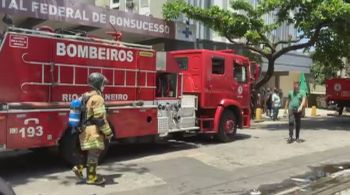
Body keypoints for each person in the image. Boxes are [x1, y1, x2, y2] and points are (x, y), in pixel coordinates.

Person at [72, 72, 113, 185]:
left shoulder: (85, 95)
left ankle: (79, 167)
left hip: (84, 129)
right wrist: (108, 132)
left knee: (87, 152)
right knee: (94, 154)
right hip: (93, 130)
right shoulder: (98, 98)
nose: (104, 86)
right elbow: (99, 118)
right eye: (103, 84)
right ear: (98, 84)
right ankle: (92, 177)